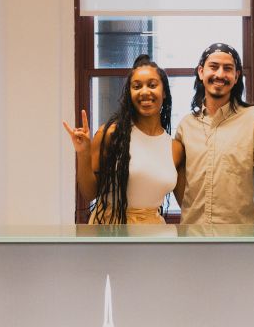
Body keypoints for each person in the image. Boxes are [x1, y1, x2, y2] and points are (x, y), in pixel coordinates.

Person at [63, 55, 183, 224]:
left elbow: (187, 201)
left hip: (153, 232)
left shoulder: (175, 148)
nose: (145, 91)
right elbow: (89, 193)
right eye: (137, 86)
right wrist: (83, 153)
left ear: (164, 92)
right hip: (111, 229)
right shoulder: (112, 134)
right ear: (129, 93)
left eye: (152, 85)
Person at [175, 42, 254, 224]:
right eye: (214, 67)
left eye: (227, 69)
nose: (220, 74)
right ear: (201, 72)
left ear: (236, 76)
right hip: (193, 240)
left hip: (239, 241)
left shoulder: (253, 121)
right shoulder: (186, 126)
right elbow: (177, 182)